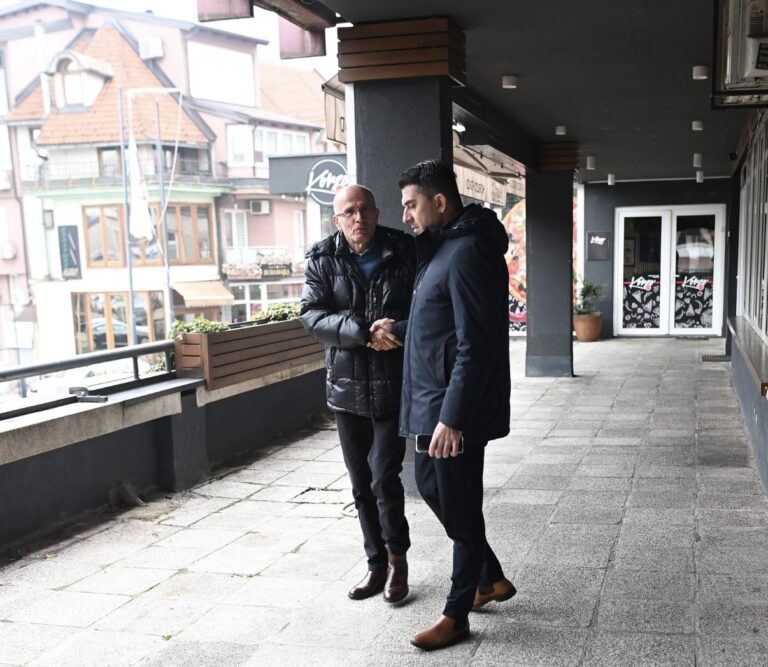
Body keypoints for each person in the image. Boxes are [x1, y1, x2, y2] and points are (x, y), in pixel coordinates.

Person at [396, 160, 515, 650]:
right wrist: (396, 329)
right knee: (430, 486)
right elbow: (439, 320)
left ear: (439, 201)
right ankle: (490, 577)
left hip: (451, 410)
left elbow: (476, 344)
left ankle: (457, 612)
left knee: (461, 507)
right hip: (431, 402)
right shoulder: (444, 246)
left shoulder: (467, 252)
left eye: (411, 204)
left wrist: (453, 417)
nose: (406, 215)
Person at [300, 184, 415, 604]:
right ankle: (375, 564)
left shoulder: (404, 250)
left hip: (393, 385)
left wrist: (395, 329)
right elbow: (312, 316)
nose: (358, 218)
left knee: (385, 477)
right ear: (337, 220)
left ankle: (398, 560)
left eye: (364, 209)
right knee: (360, 484)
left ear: (377, 212)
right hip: (346, 390)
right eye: (349, 212)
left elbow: (427, 306)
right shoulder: (322, 258)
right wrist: (364, 332)